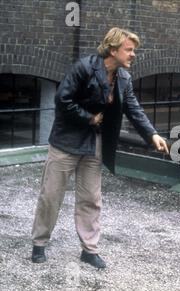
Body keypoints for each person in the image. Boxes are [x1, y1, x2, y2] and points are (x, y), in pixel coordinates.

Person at [31, 27, 169, 269]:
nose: (133, 54)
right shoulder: (84, 67)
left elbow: (134, 109)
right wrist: (89, 118)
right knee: (51, 195)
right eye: (129, 49)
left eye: (134, 50)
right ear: (113, 49)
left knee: (91, 198)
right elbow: (62, 99)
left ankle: (89, 250)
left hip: (94, 143)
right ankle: (39, 244)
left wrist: (152, 134)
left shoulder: (123, 78)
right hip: (66, 141)